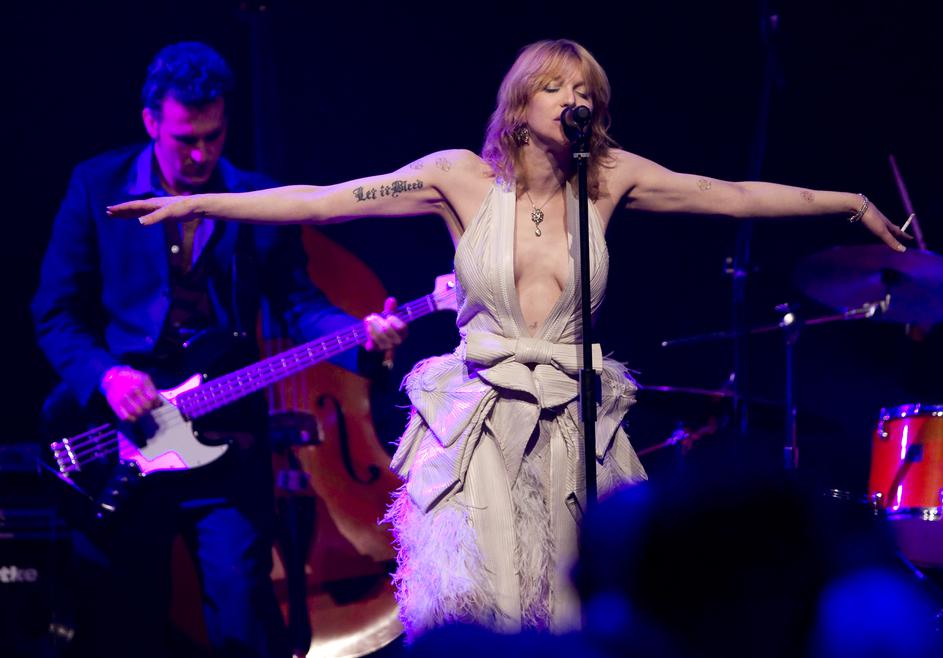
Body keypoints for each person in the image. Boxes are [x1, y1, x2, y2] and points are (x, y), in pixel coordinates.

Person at [108, 39, 911, 640]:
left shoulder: (609, 178)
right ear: (520, 102)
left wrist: (847, 201)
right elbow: (325, 200)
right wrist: (198, 205)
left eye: (585, 89)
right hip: (482, 421)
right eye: (555, 85)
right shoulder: (458, 177)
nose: (573, 97)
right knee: (480, 603)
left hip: (573, 422)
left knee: (572, 606)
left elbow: (727, 193)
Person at [32, 42, 405, 658]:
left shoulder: (255, 198)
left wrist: (361, 335)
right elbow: (54, 314)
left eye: (214, 136)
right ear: (151, 121)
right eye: (186, 139)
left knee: (242, 624)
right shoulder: (96, 186)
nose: (202, 154)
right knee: (125, 627)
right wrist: (108, 376)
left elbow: (299, 305)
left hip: (230, 441)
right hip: (124, 436)